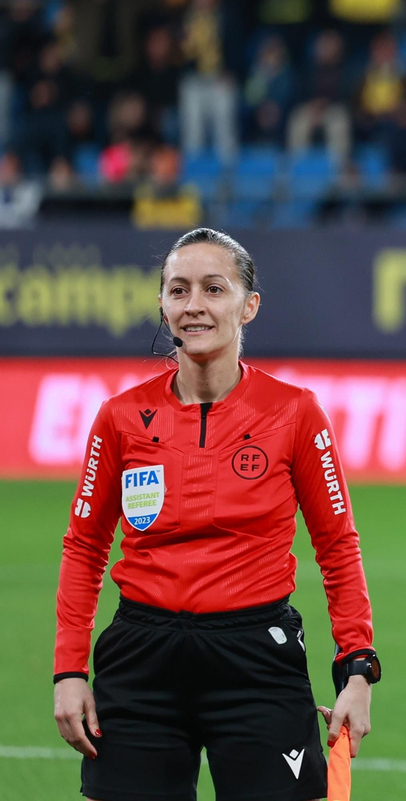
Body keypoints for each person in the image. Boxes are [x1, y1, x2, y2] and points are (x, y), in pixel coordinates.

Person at [53, 227, 379, 801]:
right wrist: (70, 671)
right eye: (178, 290)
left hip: (256, 656)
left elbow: (337, 545)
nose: (193, 305)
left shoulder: (296, 413)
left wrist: (357, 670)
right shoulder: (120, 417)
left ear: (248, 306)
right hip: (142, 658)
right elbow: (84, 547)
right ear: (162, 303)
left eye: (213, 288)